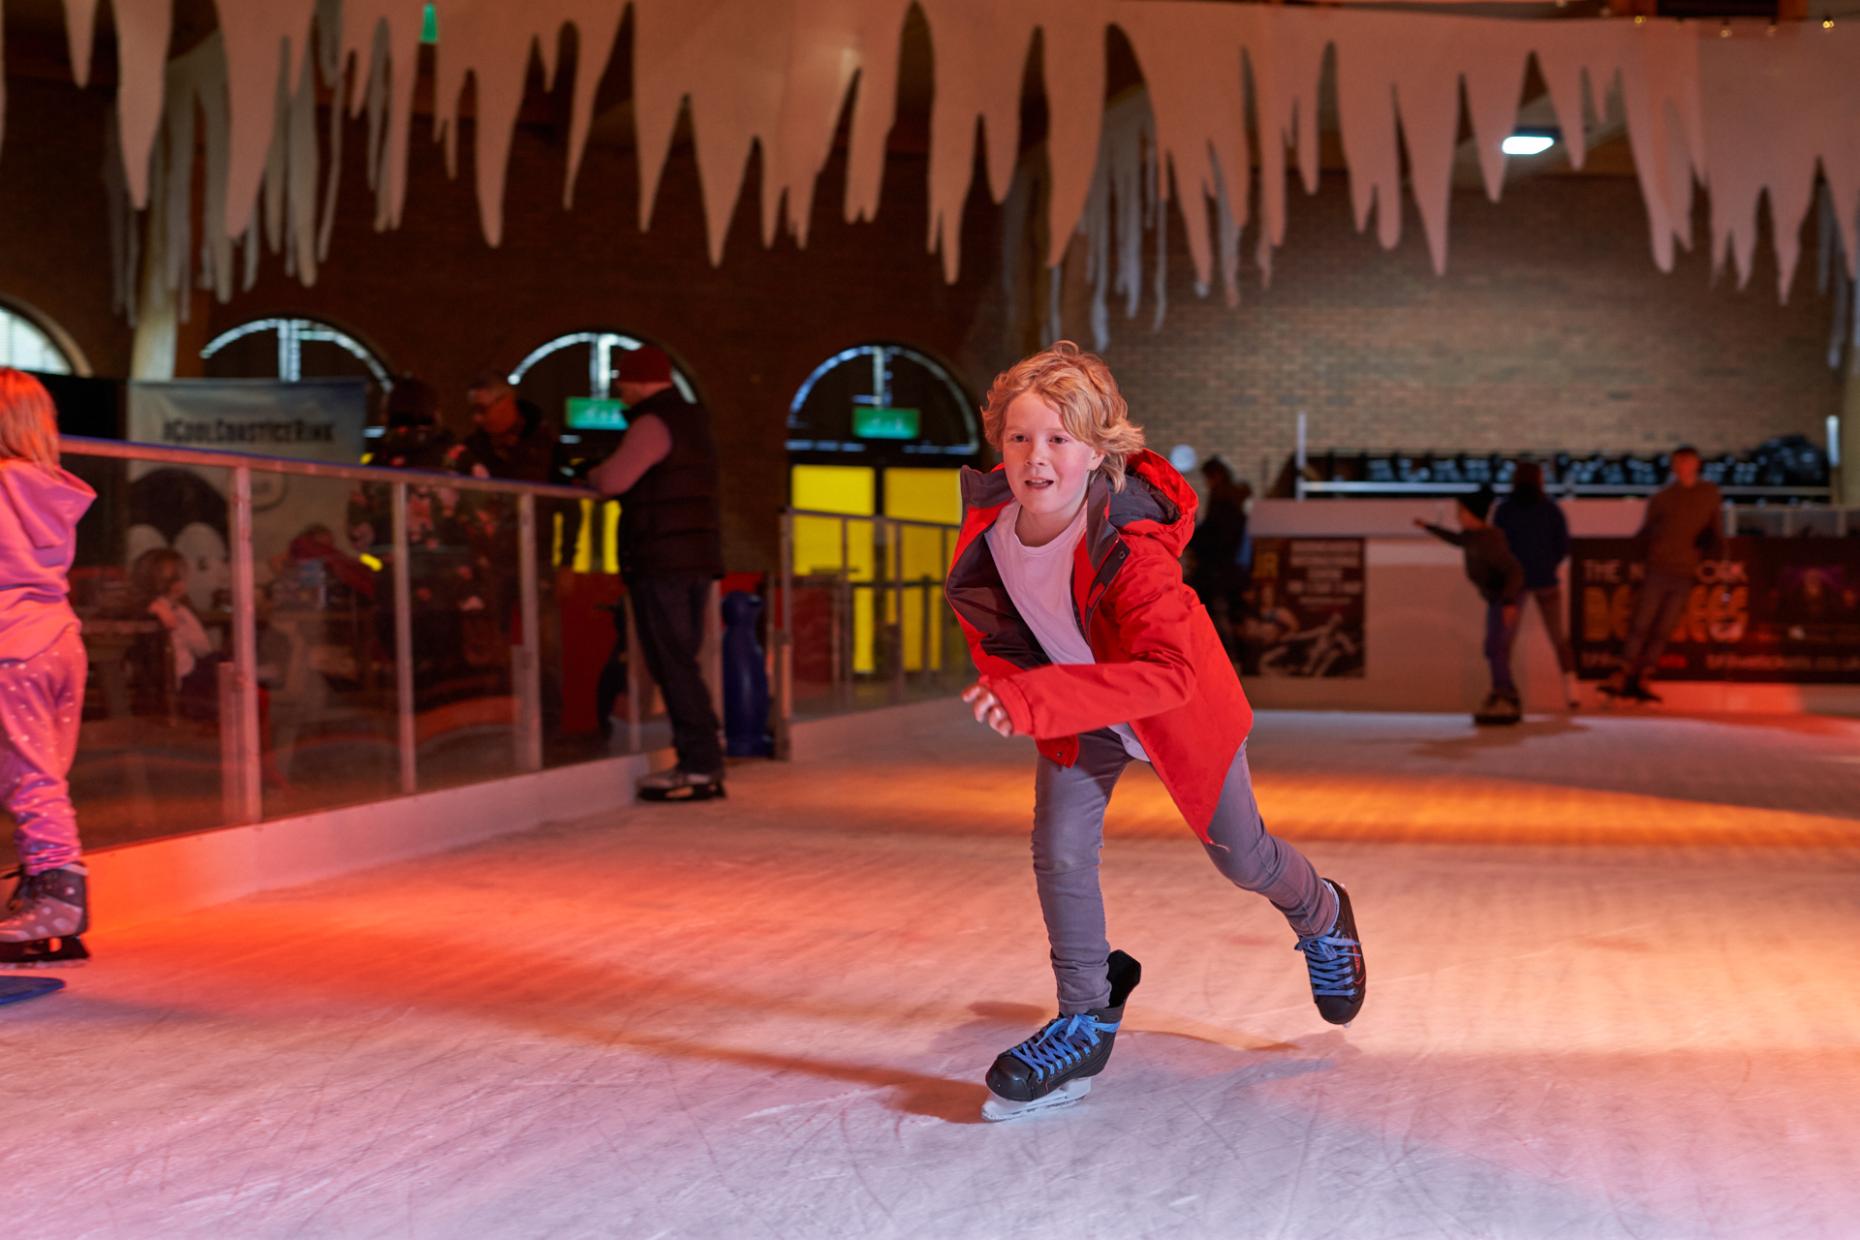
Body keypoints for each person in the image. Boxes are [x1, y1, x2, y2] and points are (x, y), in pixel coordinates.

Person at [945, 342, 1365, 1121]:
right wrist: (1019, 688)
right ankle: (1083, 1015)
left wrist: (1040, 700)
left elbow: (1172, 674)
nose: (1037, 459)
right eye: (1019, 438)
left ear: (1099, 452)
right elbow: (1004, 627)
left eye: (1059, 440)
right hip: (1088, 710)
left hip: (1172, 709)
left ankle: (1321, 913)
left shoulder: (1131, 553)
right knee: (1059, 848)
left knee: (1246, 859)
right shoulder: (995, 530)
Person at [587, 346, 725, 801]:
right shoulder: (694, 421)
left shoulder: (652, 423)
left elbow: (613, 481)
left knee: (673, 663)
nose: (619, 390)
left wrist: (588, 475)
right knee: (682, 660)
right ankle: (703, 760)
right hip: (695, 559)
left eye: (623, 381)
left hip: (662, 562)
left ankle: (700, 764)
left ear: (640, 381)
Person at [0, 367, 96, 964]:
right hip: (59, 638)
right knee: (39, 774)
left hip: (10, 644)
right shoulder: (46, 487)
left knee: (29, 779)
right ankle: (42, 885)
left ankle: (59, 890)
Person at [1604, 445, 1724, 703]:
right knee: (1640, 623)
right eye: (1679, 463)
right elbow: (1646, 532)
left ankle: (1645, 674)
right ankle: (1623, 673)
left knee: (1664, 628)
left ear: (1696, 464)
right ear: (1673, 466)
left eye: (1688, 462)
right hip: (1658, 569)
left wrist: (1715, 557)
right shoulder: (1662, 498)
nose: (1683, 467)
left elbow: (1715, 531)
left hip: (1684, 571)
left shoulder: (1709, 494)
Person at [1416, 487, 1527, 724]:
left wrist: (1509, 602)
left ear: (1472, 514)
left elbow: (1514, 572)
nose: (1457, 517)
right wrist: (1428, 527)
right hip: (1497, 598)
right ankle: (1505, 693)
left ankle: (1504, 696)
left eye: (1460, 511)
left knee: (1495, 648)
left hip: (1504, 597)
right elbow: (1455, 540)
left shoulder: (1489, 541)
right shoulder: (1471, 537)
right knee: (1492, 648)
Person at [1492, 461, 1578, 709]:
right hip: (1546, 581)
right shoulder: (1551, 510)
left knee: (1504, 640)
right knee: (1559, 638)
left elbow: (1498, 547)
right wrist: (1546, 565)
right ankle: (1572, 692)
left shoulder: (1505, 510)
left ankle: (1504, 690)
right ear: (1540, 480)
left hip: (1513, 584)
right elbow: (1563, 547)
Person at [1185, 455, 1250, 658]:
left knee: (1210, 613)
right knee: (1222, 614)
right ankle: (1227, 655)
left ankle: (1219, 654)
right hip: (1226, 568)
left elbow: (1215, 536)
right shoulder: (1232, 500)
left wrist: (1192, 538)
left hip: (1216, 569)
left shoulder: (1222, 501)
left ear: (1216, 476)